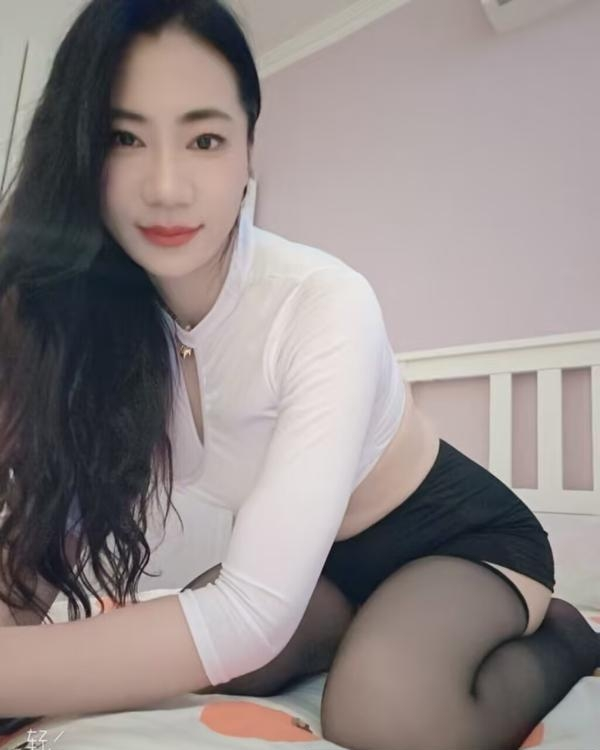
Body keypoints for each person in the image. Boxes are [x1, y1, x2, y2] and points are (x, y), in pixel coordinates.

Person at [0, 1, 598, 748]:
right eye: (124, 137)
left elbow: (248, 616)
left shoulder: (321, 300)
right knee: (204, 652)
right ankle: (365, 626)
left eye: (205, 139)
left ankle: (569, 635)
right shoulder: (101, 333)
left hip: (457, 539)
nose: (166, 186)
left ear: (248, 153)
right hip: (323, 565)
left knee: (385, 713)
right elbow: (53, 525)